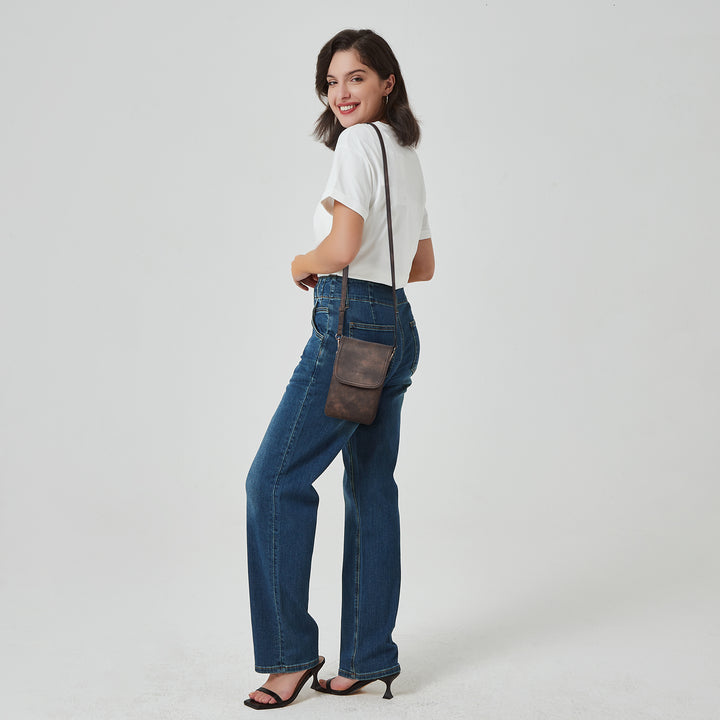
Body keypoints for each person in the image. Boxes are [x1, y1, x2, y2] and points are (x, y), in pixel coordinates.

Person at [244, 28, 435, 710]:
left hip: (352, 330)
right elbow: (422, 265)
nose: (341, 93)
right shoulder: (405, 153)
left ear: (387, 81)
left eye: (356, 77)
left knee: (274, 481)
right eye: (331, 82)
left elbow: (344, 246)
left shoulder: (358, 145)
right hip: (397, 329)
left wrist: (303, 262)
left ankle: (289, 657)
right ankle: (367, 657)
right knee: (371, 488)